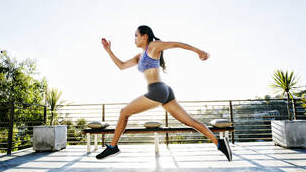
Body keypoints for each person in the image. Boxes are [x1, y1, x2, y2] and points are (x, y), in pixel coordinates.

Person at [96, 25, 232, 161]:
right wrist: (109, 51)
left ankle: (113, 147)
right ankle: (219, 143)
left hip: (157, 91)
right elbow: (121, 66)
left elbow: (176, 44)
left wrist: (199, 51)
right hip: (164, 91)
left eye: (136, 35)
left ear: (145, 36)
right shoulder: (140, 56)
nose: (134, 39)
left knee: (124, 112)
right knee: (190, 122)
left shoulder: (154, 46)